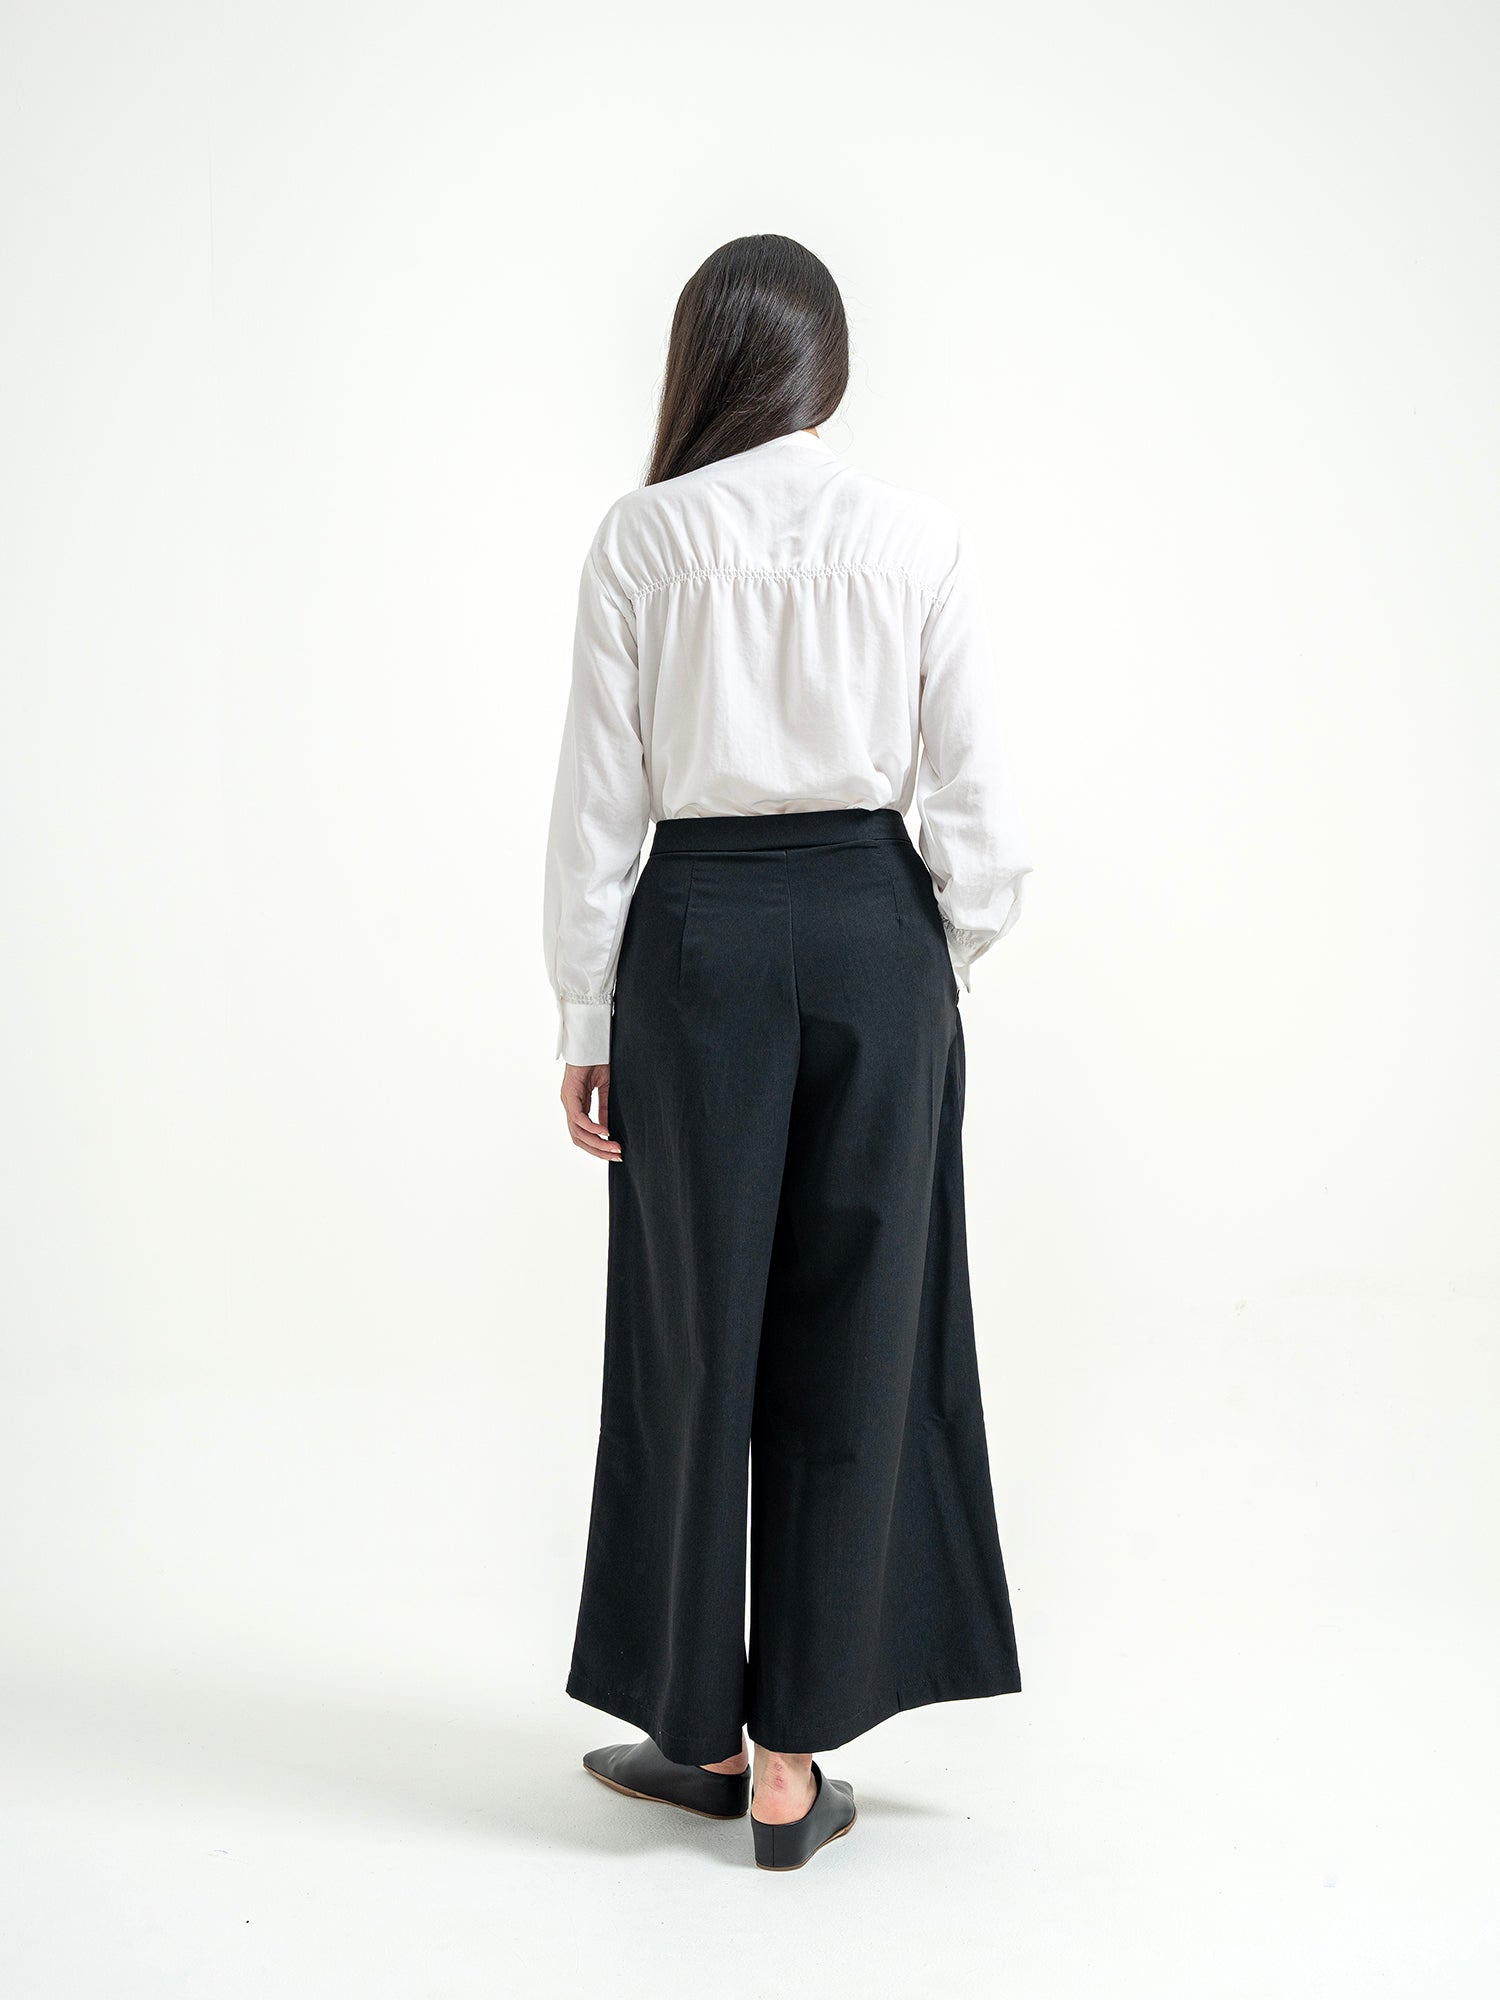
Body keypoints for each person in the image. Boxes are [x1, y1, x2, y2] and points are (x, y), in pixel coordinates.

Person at [541, 233, 1033, 1873]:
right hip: (875, 931)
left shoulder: (643, 539)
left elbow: (599, 806)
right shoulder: (917, 536)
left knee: (691, 1333)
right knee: (863, 1330)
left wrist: (588, 1013)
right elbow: (983, 816)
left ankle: (695, 1727)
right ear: (829, 365)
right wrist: (929, 963)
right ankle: (789, 1766)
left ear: (703, 360)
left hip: (693, 945)